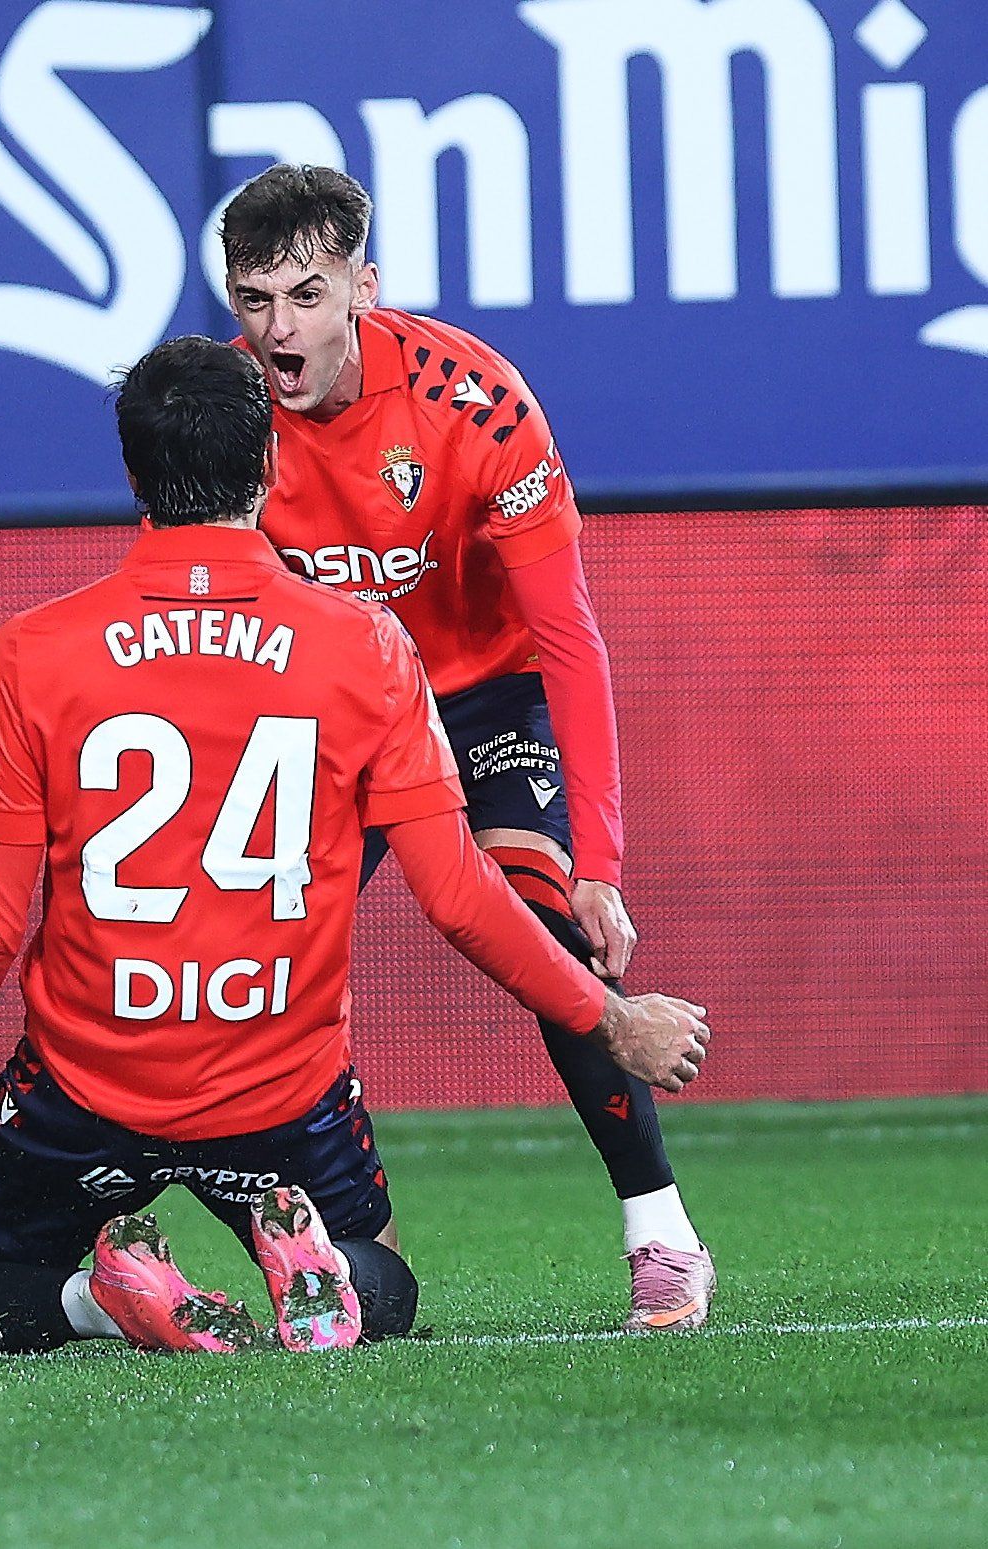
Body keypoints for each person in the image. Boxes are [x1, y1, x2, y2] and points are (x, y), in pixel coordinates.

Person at [0, 337, 710, 1359]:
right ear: (272, 465)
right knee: (380, 1284)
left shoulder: (33, 650)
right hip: (282, 1090)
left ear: (132, 475)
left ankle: (97, 1299)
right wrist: (611, 1016)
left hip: (89, 1083)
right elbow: (461, 898)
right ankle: (319, 1267)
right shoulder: (368, 645)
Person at [222, 165, 716, 1331]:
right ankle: (299, 1247)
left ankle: (662, 1236)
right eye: (254, 301)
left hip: (484, 698)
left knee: (550, 921)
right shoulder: (225, 419)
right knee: (237, 964)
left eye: (306, 295)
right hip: (329, 716)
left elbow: (568, 638)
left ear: (364, 288)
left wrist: (599, 861)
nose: (279, 332)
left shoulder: (476, 403)